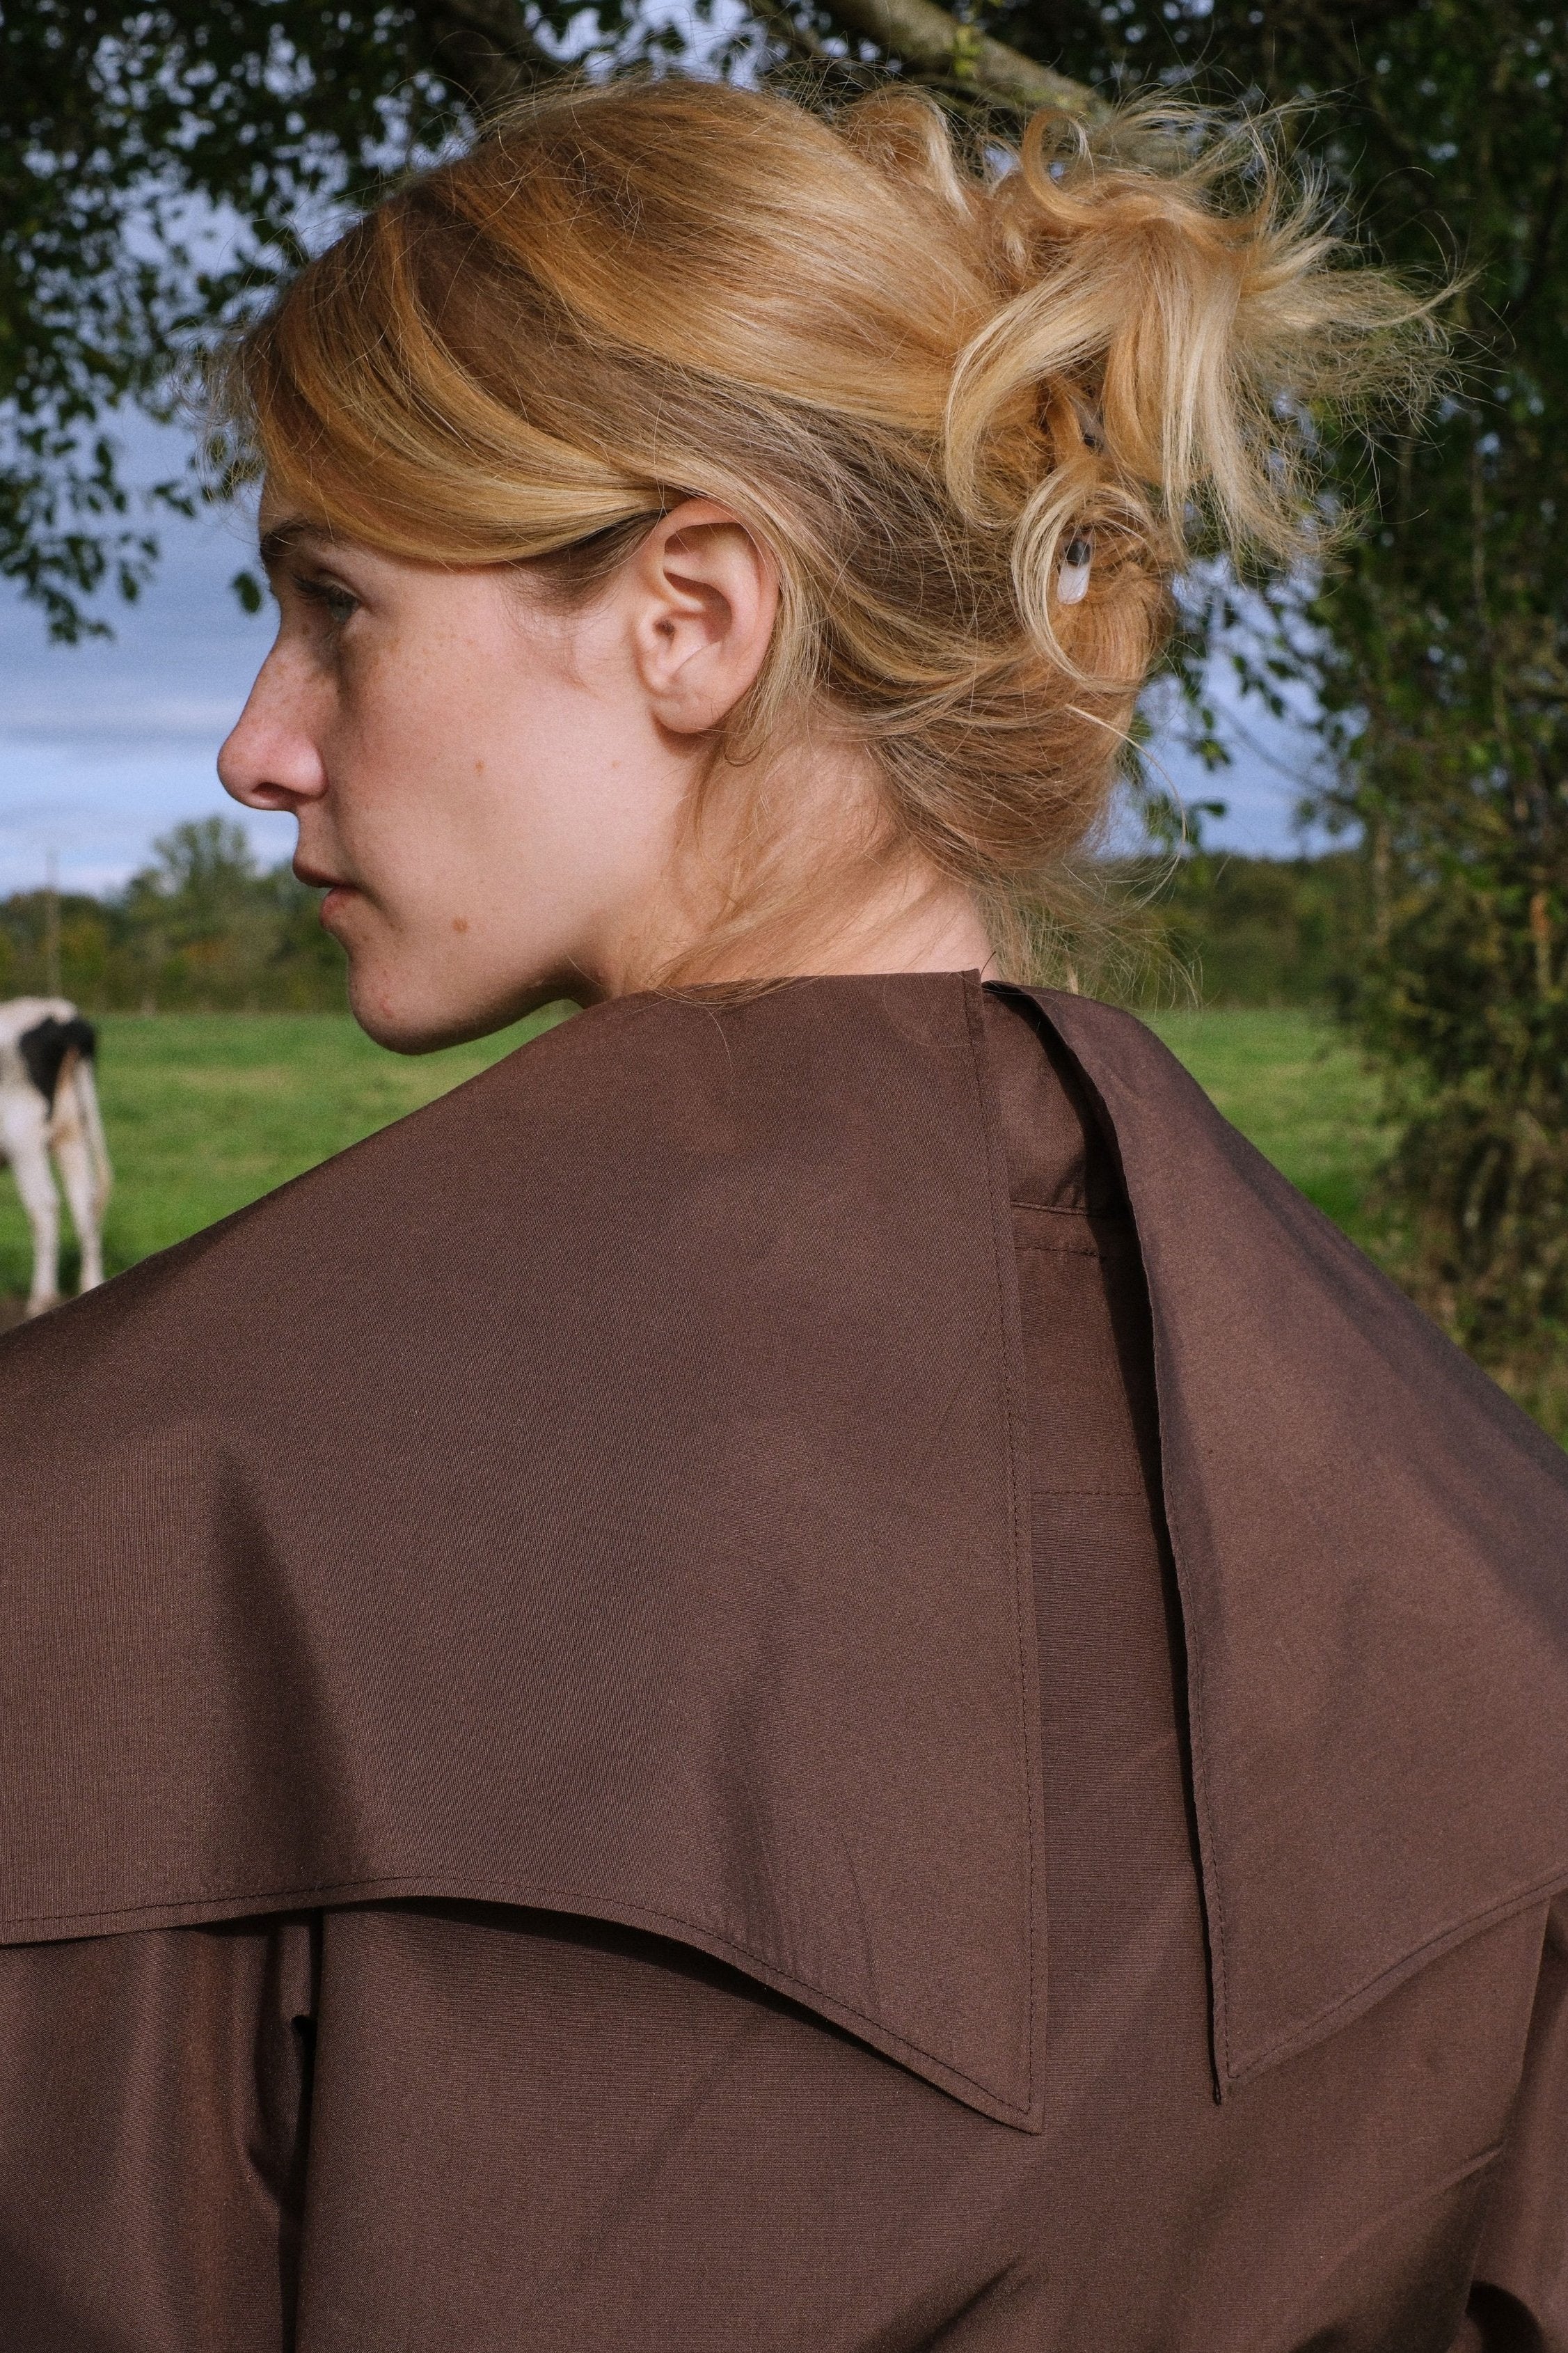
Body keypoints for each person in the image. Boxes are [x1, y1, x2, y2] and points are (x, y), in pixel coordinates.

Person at [0, 72, 1564, 2353]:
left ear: (693, 618)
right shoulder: (1480, 1535)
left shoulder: (109, 1518)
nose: (259, 738)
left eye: (333, 604)